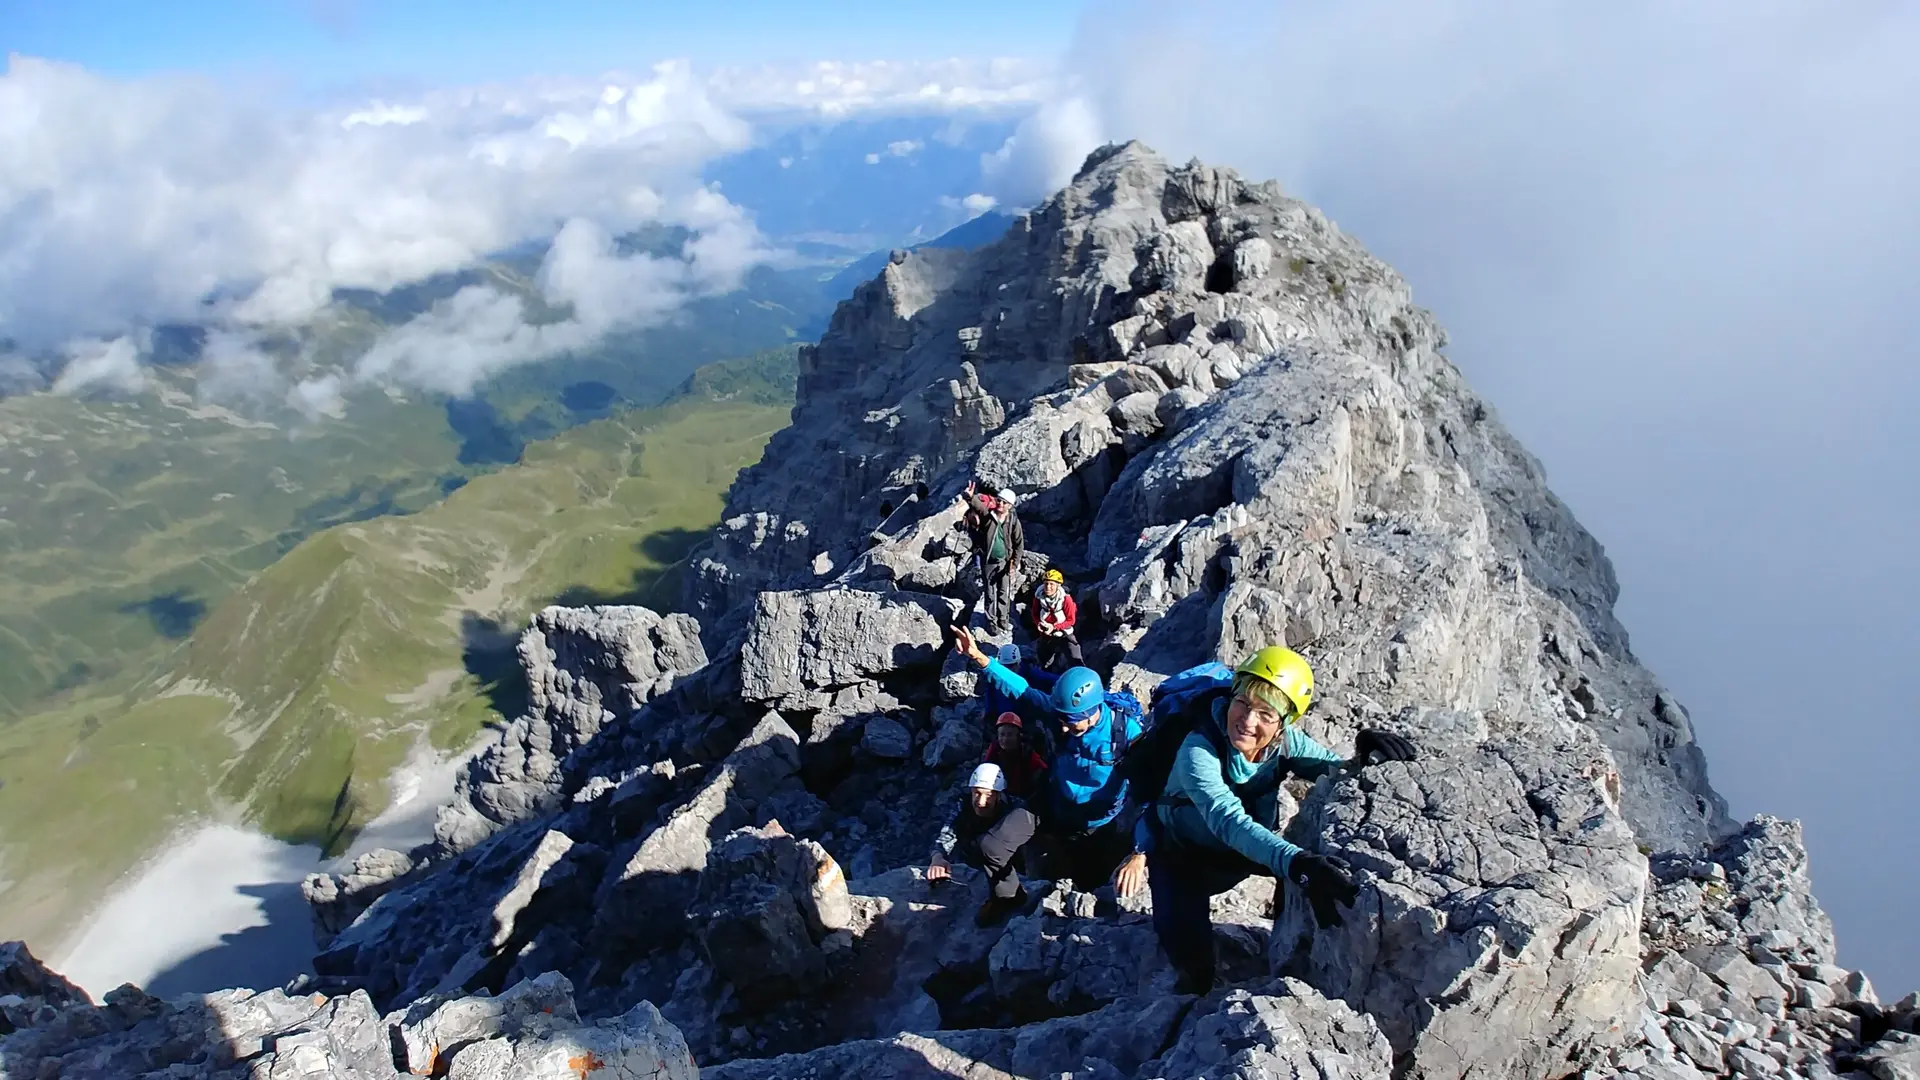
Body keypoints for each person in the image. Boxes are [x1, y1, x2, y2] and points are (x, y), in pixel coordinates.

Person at [1109, 646, 1418, 994]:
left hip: (1240, 850)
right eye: (1241, 702)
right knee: (1186, 946)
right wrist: (1296, 863)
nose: (1248, 720)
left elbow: (1333, 772)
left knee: (1312, 869)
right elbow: (1227, 820)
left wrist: (1363, 755)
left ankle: (1285, 922)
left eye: (1266, 714)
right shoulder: (1198, 748)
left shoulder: (1287, 743)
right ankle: (1194, 996)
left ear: (1284, 723)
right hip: (1182, 855)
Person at [952, 625, 1143, 889]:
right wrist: (981, 659)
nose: (1063, 727)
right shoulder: (1059, 715)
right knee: (992, 845)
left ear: (1093, 711)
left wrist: (1140, 851)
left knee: (1089, 882)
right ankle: (1008, 898)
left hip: (1098, 824)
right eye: (1061, 719)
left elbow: (1152, 790)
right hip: (1053, 803)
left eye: (1071, 722)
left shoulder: (1127, 734)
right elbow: (1022, 690)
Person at [927, 762, 1040, 927]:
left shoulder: (1016, 809)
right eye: (977, 793)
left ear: (998, 795)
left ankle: (1007, 898)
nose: (981, 801)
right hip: (975, 863)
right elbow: (947, 833)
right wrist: (938, 857)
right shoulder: (963, 805)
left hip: (1014, 866)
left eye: (988, 795)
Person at [954, 480, 1024, 637]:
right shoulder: (988, 516)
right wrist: (970, 498)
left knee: (1003, 592)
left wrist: (1014, 563)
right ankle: (991, 621)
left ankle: (1003, 619)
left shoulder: (1013, 521)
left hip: (1005, 563)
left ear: (1010, 506)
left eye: (1004, 502)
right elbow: (979, 506)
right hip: (988, 561)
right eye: (999, 500)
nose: (1000, 503)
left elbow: (1019, 544)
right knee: (990, 593)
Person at [1027, 569, 1083, 674]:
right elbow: (1034, 613)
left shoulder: (1066, 600)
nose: (1048, 587)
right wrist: (1038, 623)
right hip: (1046, 634)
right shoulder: (1038, 597)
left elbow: (1071, 620)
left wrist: (1054, 627)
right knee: (1045, 662)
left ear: (1058, 586)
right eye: (1046, 584)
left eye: (1052, 584)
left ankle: (1081, 676)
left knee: (1075, 659)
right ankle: (1047, 681)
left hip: (1064, 634)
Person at [982, 712, 1048, 798]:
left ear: (1018, 736)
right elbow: (985, 767)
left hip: (1023, 796)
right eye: (1002, 735)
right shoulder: (995, 748)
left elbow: (1043, 771)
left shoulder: (1027, 753)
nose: (1005, 739)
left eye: (1010, 735)